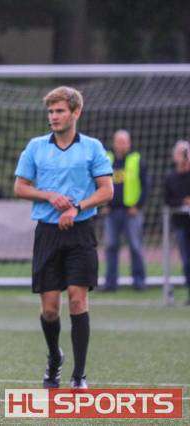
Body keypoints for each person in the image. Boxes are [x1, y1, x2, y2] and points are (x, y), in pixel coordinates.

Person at [13, 86, 113, 389]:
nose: (54, 117)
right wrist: (48, 196)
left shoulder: (92, 147)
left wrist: (77, 207)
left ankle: (79, 375)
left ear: (75, 112)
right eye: (51, 111)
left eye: (59, 111)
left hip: (81, 232)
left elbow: (107, 190)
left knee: (78, 300)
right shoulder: (36, 147)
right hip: (47, 233)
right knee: (50, 309)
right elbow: (20, 187)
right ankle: (55, 357)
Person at [102, 130, 148, 291]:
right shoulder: (106, 158)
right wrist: (102, 204)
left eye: (124, 142)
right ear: (114, 143)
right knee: (111, 247)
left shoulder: (136, 159)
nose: (121, 145)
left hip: (131, 212)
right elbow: (98, 182)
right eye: (118, 141)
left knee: (135, 246)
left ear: (129, 143)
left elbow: (146, 185)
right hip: (111, 212)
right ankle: (110, 283)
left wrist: (138, 205)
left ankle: (139, 281)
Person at [164, 140, 190, 305]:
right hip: (181, 224)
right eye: (181, 153)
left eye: (186, 153)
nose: (184, 156)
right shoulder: (171, 177)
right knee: (186, 261)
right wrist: (183, 201)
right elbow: (167, 199)